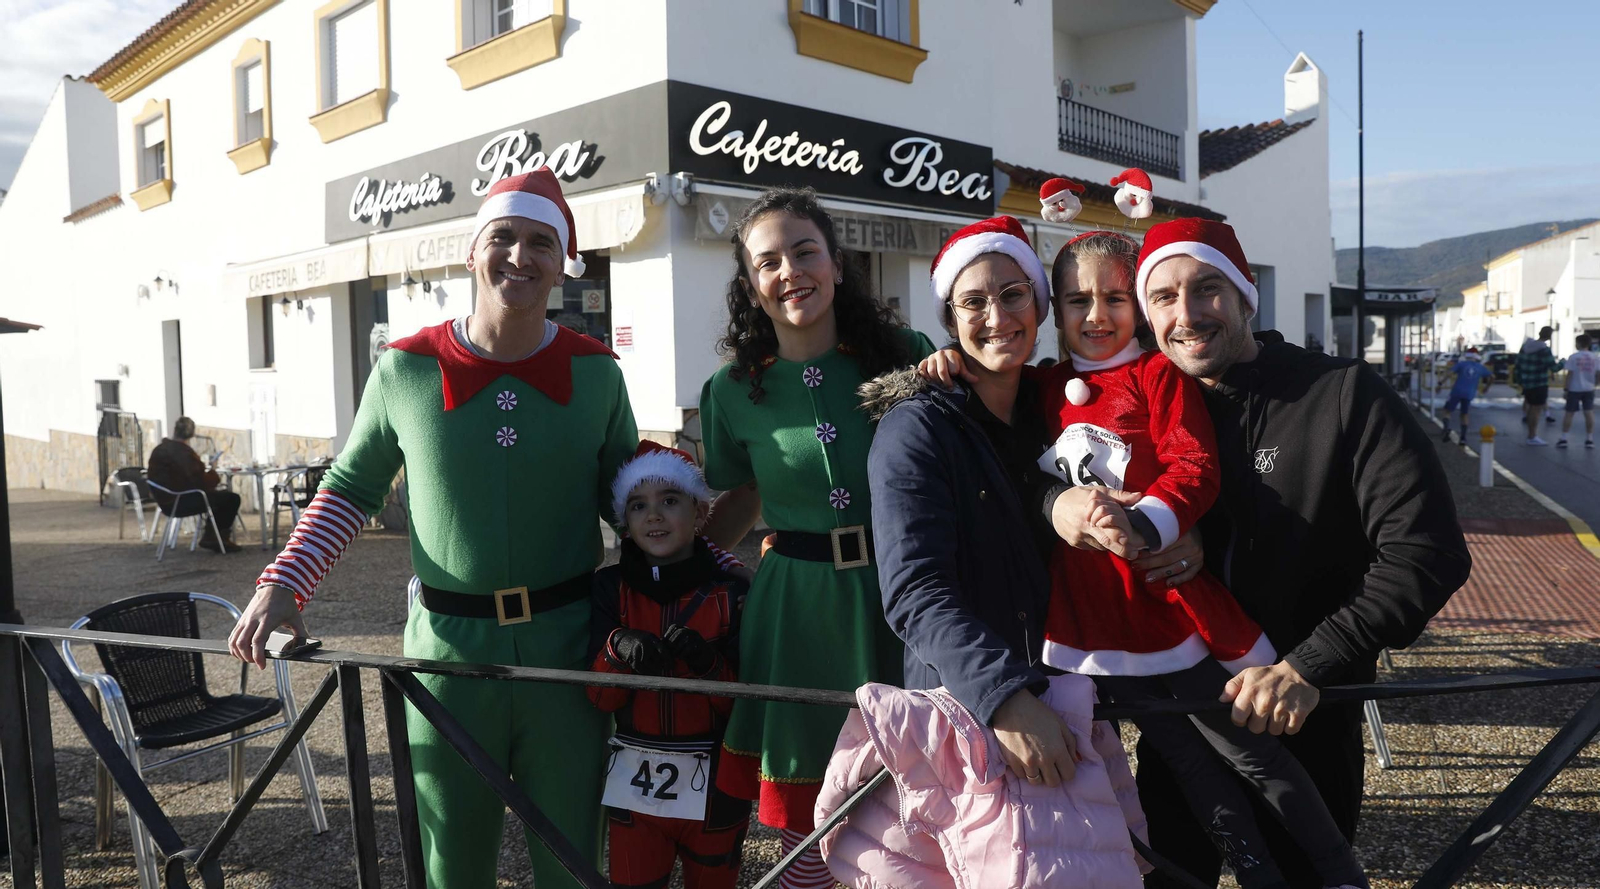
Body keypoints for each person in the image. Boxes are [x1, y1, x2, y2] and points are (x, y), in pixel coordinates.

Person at [912, 230, 1370, 888]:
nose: (1095, 316)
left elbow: (1195, 465)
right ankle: (1255, 872)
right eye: (1077, 300)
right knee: (1183, 759)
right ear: (1052, 308)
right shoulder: (1042, 386)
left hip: (1164, 608)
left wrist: (1151, 523)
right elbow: (1015, 465)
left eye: (1114, 297)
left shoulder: (1159, 374)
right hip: (1089, 622)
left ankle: (1337, 873)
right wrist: (944, 362)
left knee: (1249, 752)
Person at [227, 169, 638, 889]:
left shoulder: (599, 374)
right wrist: (285, 580)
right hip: (446, 655)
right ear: (471, 253)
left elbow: (630, 504)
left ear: (564, 261)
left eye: (541, 241)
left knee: (573, 856)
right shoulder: (404, 369)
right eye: (503, 237)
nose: (520, 255)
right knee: (453, 861)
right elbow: (351, 486)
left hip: (569, 652)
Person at [1043, 218, 1469, 888]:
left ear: (1246, 294)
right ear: (1146, 313)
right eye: (1163, 296)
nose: (1187, 314)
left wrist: (1308, 665)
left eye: (1207, 288)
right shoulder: (1141, 402)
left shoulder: (1343, 395)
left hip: (1307, 717)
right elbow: (1022, 465)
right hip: (1174, 722)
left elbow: (1427, 553)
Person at [697, 187, 934, 889]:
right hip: (793, 609)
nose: (790, 271)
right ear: (751, 284)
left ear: (836, 264)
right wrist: (683, 570)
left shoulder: (904, 357)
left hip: (899, 594)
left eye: (805, 251)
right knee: (807, 811)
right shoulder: (732, 390)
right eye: (768, 261)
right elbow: (741, 495)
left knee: (908, 794)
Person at [861, 216, 1075, 787]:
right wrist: (1006, 696)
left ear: (1041, 304)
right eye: (973, 302)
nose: (998, 318)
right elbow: (915, 591)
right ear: (951, 320)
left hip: (1074, 692)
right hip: (967, 714)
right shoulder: (916, 429)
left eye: (1013, 294)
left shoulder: (1060, 411)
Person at [588, 442, 750, 889]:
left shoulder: (733, 592)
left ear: (700, 514)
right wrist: (618, 647)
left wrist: (707, 665)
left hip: (717, 788)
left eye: (670, 500)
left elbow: (748, 708)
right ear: (625, 521)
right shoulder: (608, 588)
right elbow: (599, 697)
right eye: (638, 505)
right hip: (634, 793)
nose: (653, 516)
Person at [147, 416, 242, 552]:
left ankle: (213, 535)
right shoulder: (184, 454)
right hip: (182, 501)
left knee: (218, 497)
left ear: (175, 431)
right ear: (192, 434)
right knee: (231, 499)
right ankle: (215, 537)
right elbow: (201, 483)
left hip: (164, 500)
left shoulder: (160, 449)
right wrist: (213, 471)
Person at [1515, 325, 1562, 445]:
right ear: (1549, 336)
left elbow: (1518, 364)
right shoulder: (1544, 350)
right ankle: (1532, 436)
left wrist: (1519, 380)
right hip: (1539, 383)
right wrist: (1563, 362)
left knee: (1531, 407)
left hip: (1527, 382)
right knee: (1536, 410)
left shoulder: (1525, 346)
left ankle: (1531, 435)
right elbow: (1554, 368)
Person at [1440, 347, 1493, 443]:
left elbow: (1449, 373)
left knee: (1447, 410)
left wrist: (1440, 383)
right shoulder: (1480, 367)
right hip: (1469, 393)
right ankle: (1463, 438)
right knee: (1464, 414)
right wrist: (1486, 387)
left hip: (1456, 391)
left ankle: (1446, 428)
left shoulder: (1461, 364)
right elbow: (1492, 376)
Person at [1557, 334, 1597, 449]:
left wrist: (1566, 389)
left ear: (1578, 343)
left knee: (1569, 413)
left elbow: (1570, 374)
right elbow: (1598, 373)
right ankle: (1589, 439)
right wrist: (1595, 384)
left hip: (1575, 388)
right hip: (1589, 388)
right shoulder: (1594, 357)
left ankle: (1564, 438)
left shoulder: (1573, 357)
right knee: (1589, 413)